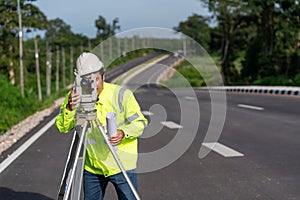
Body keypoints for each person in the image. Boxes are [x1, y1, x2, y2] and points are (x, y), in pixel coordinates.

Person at [55, 52, 147, 200]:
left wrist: (123, 132)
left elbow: (140, 123)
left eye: (95, 79)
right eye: (85, 80)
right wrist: (70, 109)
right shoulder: (74, 97)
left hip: (121, 164)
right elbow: (62, 127)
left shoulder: (121, 95)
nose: (92, 85)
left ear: (103, 77)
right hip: (93, 167)